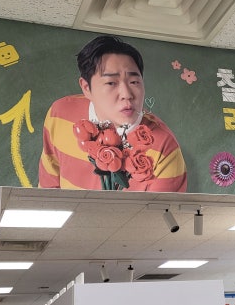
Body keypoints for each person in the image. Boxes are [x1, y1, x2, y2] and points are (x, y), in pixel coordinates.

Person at [39, 35, 187, 191]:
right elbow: (47, 192)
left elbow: (160, 207)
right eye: (111, 83)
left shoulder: (164, 147)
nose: (126, 94)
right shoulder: (60, 114)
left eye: (134, 82)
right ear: (86, 88)